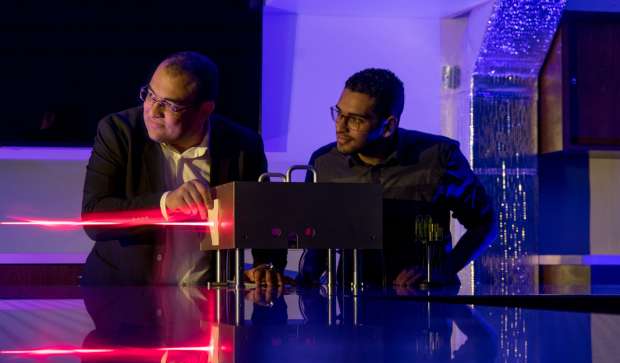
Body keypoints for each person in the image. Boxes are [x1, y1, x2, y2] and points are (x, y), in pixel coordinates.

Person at [81, 51, 285, 286]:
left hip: (208, 296)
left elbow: (264, 218)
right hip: (124, 294)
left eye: (170, 105)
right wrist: (165, 205)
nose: (153, 111)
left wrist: (265, 264)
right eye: (150, 95)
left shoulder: (242, 146)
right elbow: (95, 219)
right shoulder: (119, 131)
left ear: (204, 110)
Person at [298, 68, 496, 288]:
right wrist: (300, 281)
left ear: (388, 126)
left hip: (425, 299)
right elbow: (315, 240)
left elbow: (485, 223)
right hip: (350, 300)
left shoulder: (440, 157)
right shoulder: (323, 162)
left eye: (355, 120)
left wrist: (443, 270)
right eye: (339, 113)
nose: (340, 126)